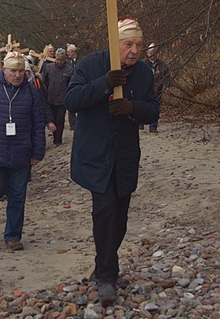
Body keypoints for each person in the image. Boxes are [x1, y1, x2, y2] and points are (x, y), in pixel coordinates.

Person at [64, 18, 159, 306]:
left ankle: (105, 263)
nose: (134, 50)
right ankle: (106, 276)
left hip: (125, 155)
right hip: (95, 154)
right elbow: (72, 100)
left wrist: (133, 108)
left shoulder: (143, 72)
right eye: (128, 44)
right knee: (104, 212)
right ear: (115, 43)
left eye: (139, 45)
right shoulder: (91, 64)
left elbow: (153, 110)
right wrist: (104, 83)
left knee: (120, 218)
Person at [0, 52, 46, 251]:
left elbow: (38, 122)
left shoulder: (31, 91)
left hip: (21, 152)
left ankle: (13, 235)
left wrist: (38, 151)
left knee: (18, 196)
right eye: (13, 71)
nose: (17, 75)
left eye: (21, 71)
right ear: (3, 70)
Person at [42, 48, 74, 146]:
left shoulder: (69, 70)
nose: (59, 61)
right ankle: (54, 135)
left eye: (61, 59)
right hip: (50, 98)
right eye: (58, 59)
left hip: (62, 99)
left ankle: (58, 139)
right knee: (53, 119)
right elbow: (44, 81)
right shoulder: (49, 68)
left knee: (60, 120)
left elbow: (71, 84)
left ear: (65, 59)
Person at [143, 43, 171, 133]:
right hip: (145, 90)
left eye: (154, 52)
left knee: (156, 108)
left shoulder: (162, 64)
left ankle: (153, 127)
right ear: (147, 53)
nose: (152, 55)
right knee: (143, 107)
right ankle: (141, 122)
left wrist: (167, 87)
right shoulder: (143, 64)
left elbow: (167, 76)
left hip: (157, 90)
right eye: (151, 52)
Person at [66, 44, 79, 130]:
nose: (68, 54)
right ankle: (73, 124)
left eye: (69, 52)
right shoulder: (67, 62)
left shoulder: (80, 60)